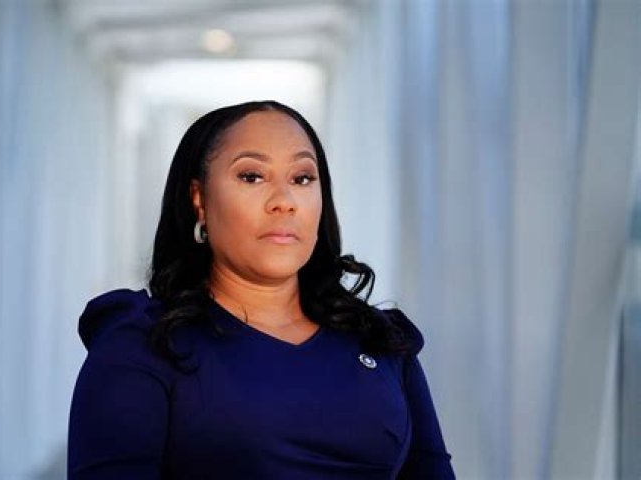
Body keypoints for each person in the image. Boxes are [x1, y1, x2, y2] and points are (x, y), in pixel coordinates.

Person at [67, 100, 454, 479]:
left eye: (302, 178)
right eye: (252, 176)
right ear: (199, 199)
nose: (284, 202)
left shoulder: (381, 341)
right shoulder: (142, 344)